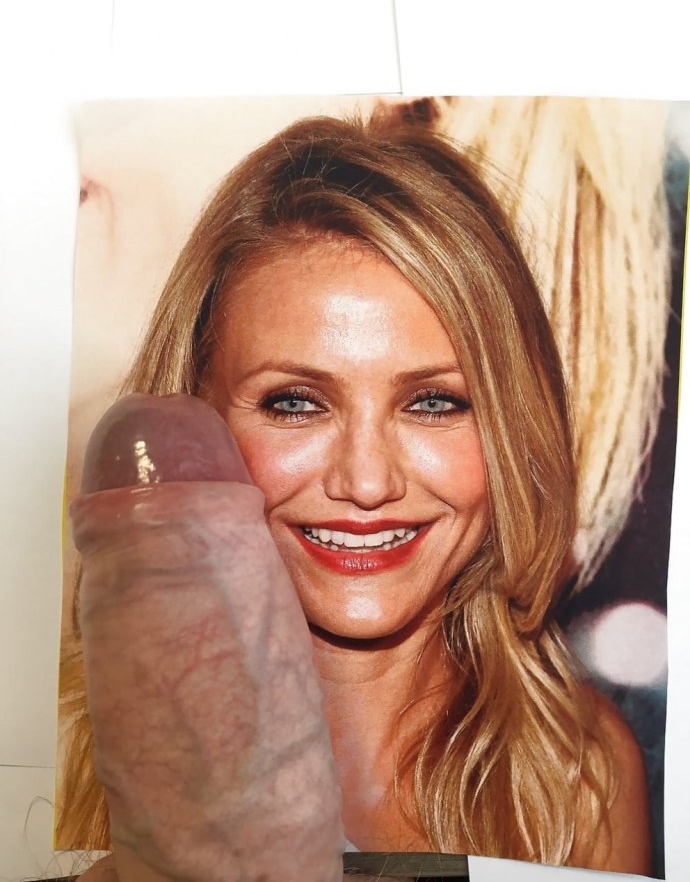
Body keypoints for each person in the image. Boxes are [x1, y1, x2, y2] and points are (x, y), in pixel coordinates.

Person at [60, 110, 651, 879]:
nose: (367, 482)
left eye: (433, 402)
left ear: (510, 424)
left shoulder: (575, 778)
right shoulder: (79, 758)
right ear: (194, 413)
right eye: (296, 402)